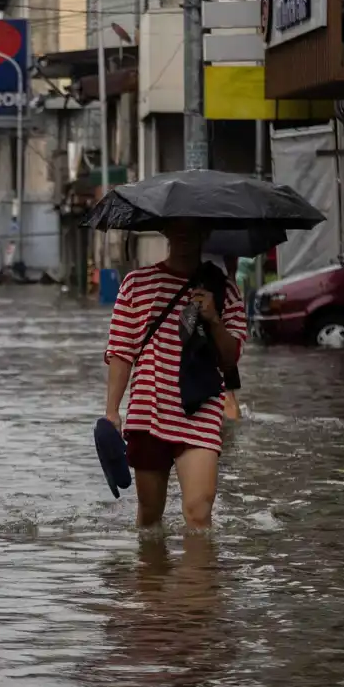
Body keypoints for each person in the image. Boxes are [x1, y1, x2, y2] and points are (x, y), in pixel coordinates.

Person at [102, 218, 247, 534]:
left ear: (205, 232)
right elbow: (121, 352)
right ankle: (151, 580)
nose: (184, 234)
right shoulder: (136, 285)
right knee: (150, 518)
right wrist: (112, 411)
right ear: (165, 230)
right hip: (148, 412)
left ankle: (197, 583)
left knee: (198, 515)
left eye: (192, 228)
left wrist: (213, 319)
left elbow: (230, 359)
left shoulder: (225, 290)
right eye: (177, 227)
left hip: (201, 410)